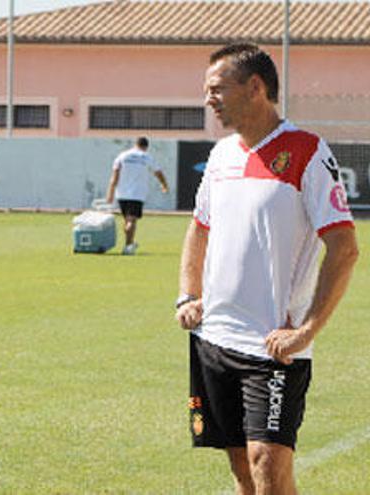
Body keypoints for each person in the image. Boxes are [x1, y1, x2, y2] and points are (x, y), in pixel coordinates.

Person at [176, 43, 358, 494]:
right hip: (213, 340)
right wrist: (187, 294)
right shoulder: (220, 157)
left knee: (268, 467)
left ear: (255, 87)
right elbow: (199, 228)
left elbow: (344, 247)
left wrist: (307, 330)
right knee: (241, 467)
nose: (208, 99)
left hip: (272, 348)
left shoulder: (306, 151)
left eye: (217, 89)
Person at [104, 136, 169, 255]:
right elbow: (158, 172)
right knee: (132, 221)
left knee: (127, 219)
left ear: (135, 144)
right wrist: (164, 184)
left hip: (121, 194)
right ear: (146, 147)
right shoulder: (146, 157)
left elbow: (114, 177)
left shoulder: (122, 156)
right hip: (137, 194)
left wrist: (110, 194)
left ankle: (130, 242)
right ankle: (128, 246)